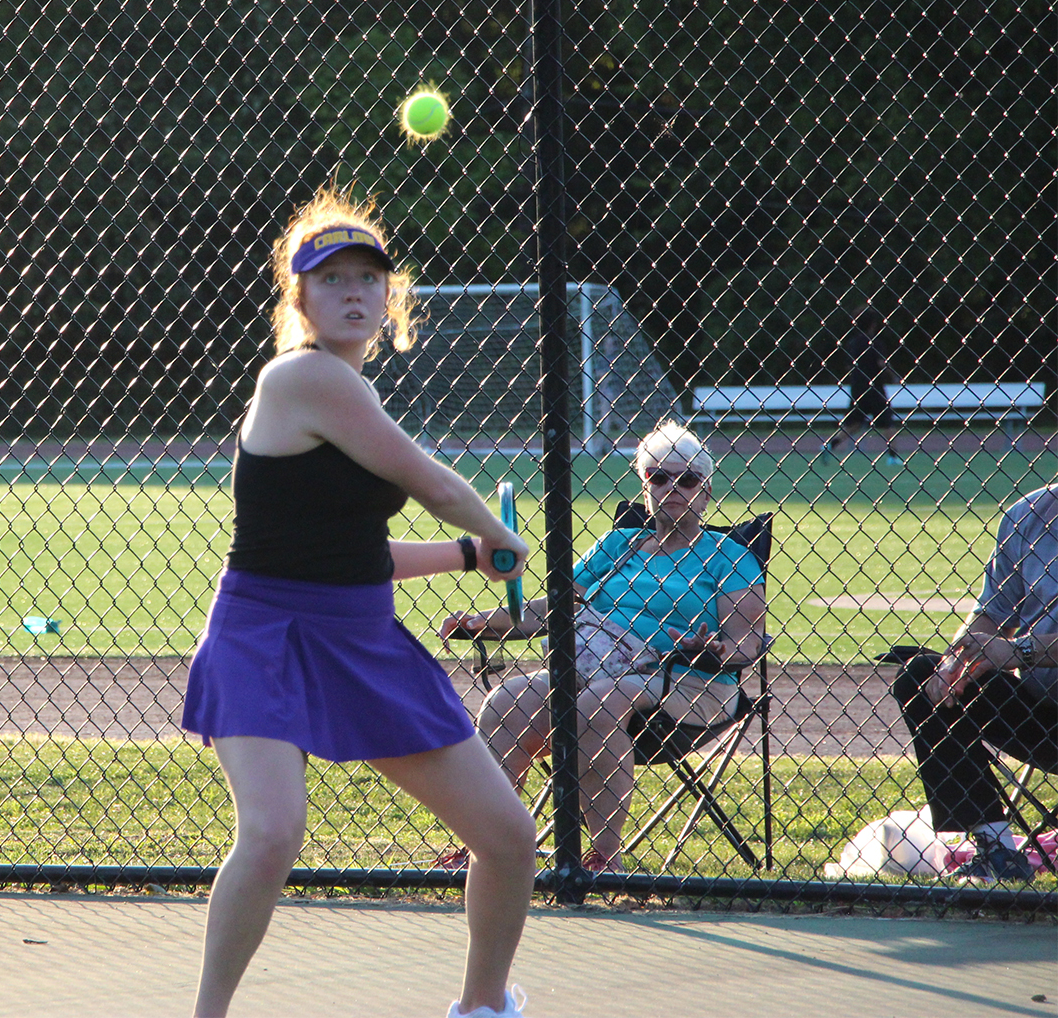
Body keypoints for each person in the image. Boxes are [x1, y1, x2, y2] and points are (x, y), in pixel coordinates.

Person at [181, 187, 537, 1018]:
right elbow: (431, 481)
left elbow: (350, 556)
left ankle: (484, 1006)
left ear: (390, 297)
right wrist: (496, 533)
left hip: (359, 638)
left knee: (509, 838)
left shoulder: (345, 393)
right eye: (330, 276)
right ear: (298, 297)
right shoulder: (302, 377)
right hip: (261, 634)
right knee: (271, 833)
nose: (352, 290)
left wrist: (462, 556)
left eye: (367, 278)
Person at [441, 422, 768, 872]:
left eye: (688, 478)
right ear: (644, 484)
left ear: (706, 490)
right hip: (590, 669)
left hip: (690, 681)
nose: (673, 487)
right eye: (659, 477)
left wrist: (709, 648)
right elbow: (557, 605)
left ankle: (602, 858)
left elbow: (748, 641)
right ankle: (486, 845)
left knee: (599, 702)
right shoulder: (620, 544)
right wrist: (486, 623)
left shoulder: (730, 555)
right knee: (506, 703)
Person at [890, 482, 1058, 882]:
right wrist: (955, 664)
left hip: (1031, 668)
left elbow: (1012, 646)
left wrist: (1018, 652)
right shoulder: (1029, 514)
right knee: (920, 675)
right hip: (1043, 715)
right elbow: (992, 612)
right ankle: (997, 850)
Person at [824, 302, 902, 465]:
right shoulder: (875, 343)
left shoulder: (853, 343)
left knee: (854, 422)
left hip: (858, 387)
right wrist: (894, 376)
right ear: (873, 324)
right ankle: (892, 457)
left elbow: (848, 365)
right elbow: (882, 364)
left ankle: (830, 445)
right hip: (874, 387)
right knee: (887, 422)